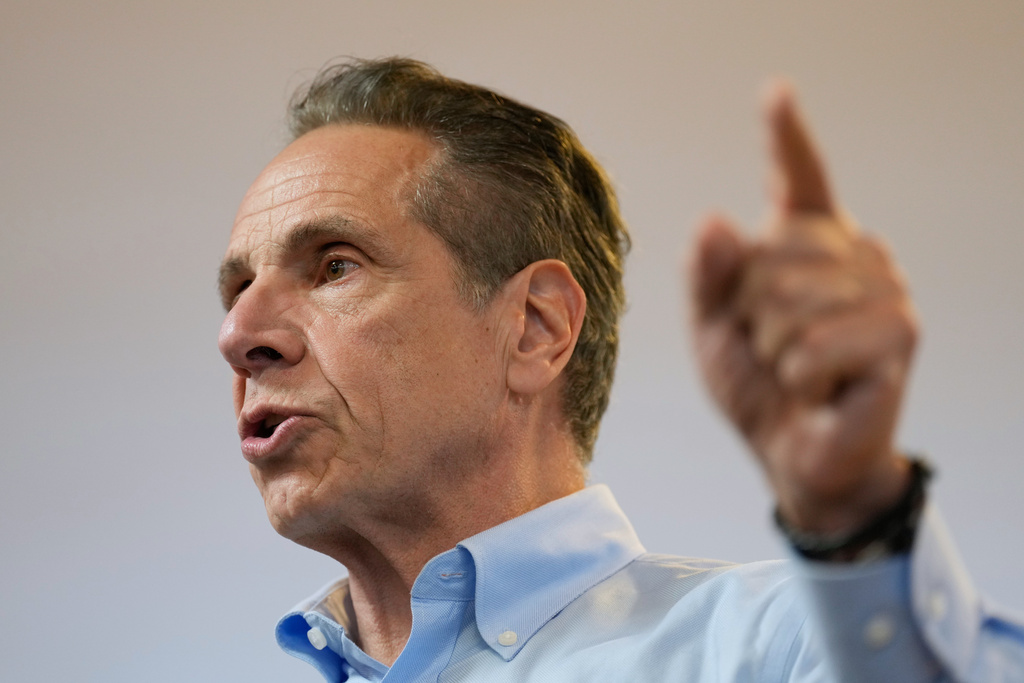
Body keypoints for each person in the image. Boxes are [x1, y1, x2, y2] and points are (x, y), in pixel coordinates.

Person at [217, 57, 1023, 682]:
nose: (239, 332)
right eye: (239, 286)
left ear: (535, 328)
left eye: (333, 267)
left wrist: (855, 516)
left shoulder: (777, 645)